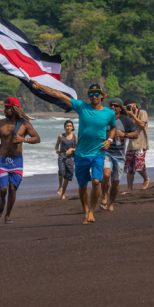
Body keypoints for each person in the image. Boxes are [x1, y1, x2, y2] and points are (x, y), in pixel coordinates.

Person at [32, 81, 116, 224]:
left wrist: (110, 140)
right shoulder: (81, 106)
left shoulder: (109, 113)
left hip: (98, 153)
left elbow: (113, 128)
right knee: (82, 186)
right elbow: (60, 96)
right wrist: (40, 87)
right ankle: (85, 211)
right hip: (81, 154)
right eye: (91, 94)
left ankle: (91, 211)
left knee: (96, 181)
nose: (94, 96)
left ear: (102, 96)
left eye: (97, 94)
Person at [0, 97, 41, 223]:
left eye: (7, 107)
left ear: (14, 108)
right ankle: (2, 199)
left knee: (12, 189)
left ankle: (8, 215)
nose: (4, 110)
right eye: (4, 107)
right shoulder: (0, 123)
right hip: (3, 160)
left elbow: (37, 138)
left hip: (17, 161)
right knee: (3, 190)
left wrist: (23, 139)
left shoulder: (24, 124)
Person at [100, 98, 138, 211]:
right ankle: (104, 195)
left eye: (115, 105)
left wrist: (124, 134)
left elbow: (135, 134)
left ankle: (111, 203)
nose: (113, 107)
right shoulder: (105, 119)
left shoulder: (125, 120)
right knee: (106, 174)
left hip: (120, 154)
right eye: (111, 105)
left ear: (120, 108)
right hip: (106, 151)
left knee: (116, 182)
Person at [123, 99, 150, 192]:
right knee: (130, 168)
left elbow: (142, 124)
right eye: (128, 107)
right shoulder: (127, 116)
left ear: (135, 104)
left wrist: (132, 115)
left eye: (131, 106)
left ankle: (146, 179)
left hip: (141, 143)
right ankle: (129, 188)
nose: (130, 108)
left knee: (139, 166)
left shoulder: (142, 112)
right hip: (131, 145)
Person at [55, 120, 76, 201]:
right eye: (67, 126)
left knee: (67, 176)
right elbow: (56, 146)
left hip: (71, 158)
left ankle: (63, 193)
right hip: (62, 156)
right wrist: (57, 150)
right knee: (61, 171)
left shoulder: (75, 137)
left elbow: (78, 147)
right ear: (64, 127)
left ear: (72, 127)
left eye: (70, 126)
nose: (68, 127)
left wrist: (72, 149)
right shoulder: (61, 136)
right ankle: (60, 186)